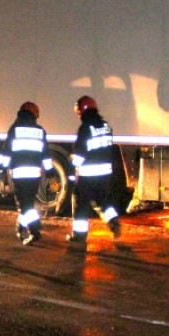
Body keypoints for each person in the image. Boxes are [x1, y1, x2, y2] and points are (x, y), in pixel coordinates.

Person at [68, 95, 121, 245]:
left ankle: (79, 236)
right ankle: (114, 221)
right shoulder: (106, 126)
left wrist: (72, 170)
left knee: (81, 205)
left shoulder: (85, 128)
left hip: (88, 174)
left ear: (82, 111)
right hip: (105, 173)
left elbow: (80, 154)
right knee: (103, 201)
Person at [1, 101, 53, 245]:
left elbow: (7, 153)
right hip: (35, 174)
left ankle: (35, 231)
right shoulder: (40, 131)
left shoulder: (14, 129)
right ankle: (21, 227)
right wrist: (50, 173)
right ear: (34, 115)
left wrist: (3, 172)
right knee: (27, 203)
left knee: (25, 205)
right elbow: (45, 154)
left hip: (19, 174)